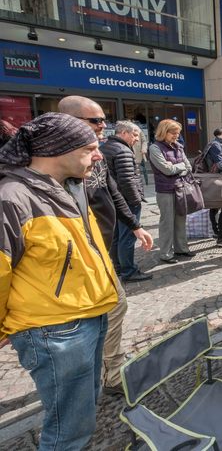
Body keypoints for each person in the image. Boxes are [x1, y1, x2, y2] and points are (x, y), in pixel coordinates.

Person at [0, 113, 119, 449]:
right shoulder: (12, 198)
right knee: (69, 428)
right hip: (55, 329)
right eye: (90, 149)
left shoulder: (67, 187)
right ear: (57, 150)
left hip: (88, 315)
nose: (99, 156)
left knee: (82, 413)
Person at [59, 96, 153, 397]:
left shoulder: (96, 156)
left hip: (100, 250)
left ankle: (109, 369)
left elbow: (112, 191)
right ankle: (105, 373)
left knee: (115, 307)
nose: (103, 126)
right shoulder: (57, 164)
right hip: (74, 260)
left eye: (104, 120)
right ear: (70, 121)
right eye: (95, 120)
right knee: (95, 317)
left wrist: (135, 225)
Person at [100, 120, 152, 282]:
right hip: (125, 201)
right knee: (128, 236)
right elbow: (127, 180)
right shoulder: (122, 150)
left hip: (113, 200)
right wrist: (136, 200)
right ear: (123, 133)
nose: (136, 139)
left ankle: (118, 267)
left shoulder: (105, 147)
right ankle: (129, 271)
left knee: (116, 236)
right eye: (134, 135)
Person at [149, 119, 196, 264]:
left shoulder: (178, 146)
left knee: (181, 219)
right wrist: (179, 167)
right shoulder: (155, 148)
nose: (176, 136)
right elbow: (166, 169)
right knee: (167, 222)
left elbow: (189, 167)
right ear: (164, 132)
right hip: (165, 190)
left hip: (180, 188)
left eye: (178, 133)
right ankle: (166, 253)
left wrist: (176, 168)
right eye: (173, 133)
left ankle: (181, 248)